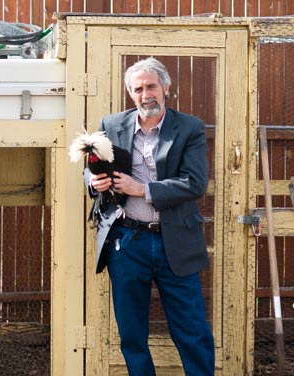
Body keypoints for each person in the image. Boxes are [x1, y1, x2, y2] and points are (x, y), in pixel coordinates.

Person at [85, 57, 215, 375]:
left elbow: (194, 183)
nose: (146, 95)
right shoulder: (111, 125)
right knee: (132, 334)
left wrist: (140, 188)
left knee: (192, 331)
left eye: (151, 86)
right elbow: (90, 166)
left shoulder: (189, 128)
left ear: (166, 88)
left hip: (176, 241)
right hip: (127, 242)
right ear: (132, 94)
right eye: (139, 89)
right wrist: (93, 181)